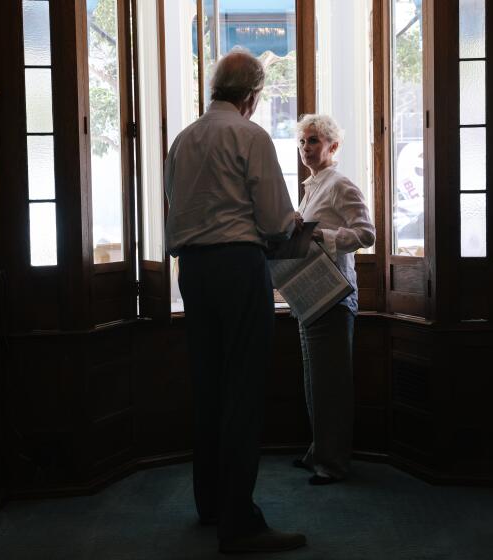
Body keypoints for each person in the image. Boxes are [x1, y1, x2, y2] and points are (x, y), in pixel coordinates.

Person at [164, 48, 306, 554]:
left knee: (208, 386)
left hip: (194, 272)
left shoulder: (183, 141)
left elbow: (174, 213)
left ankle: (210, 504)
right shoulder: (250, 136)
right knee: (243, 392)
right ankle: (240, 521)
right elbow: (272, 221)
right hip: (238, 267)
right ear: (252, 95)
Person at [293, 114, 376, 485]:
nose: (306, 148)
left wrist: (319, 237)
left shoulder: (341, 184)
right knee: (315, 382)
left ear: (332, 146)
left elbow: (366, 234)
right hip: (309, 292)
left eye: (313, 141)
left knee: (332, 385)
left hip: (335, 294)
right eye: (302, 142)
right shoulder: (310, 187)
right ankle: (319, 451)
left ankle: (334, 463)